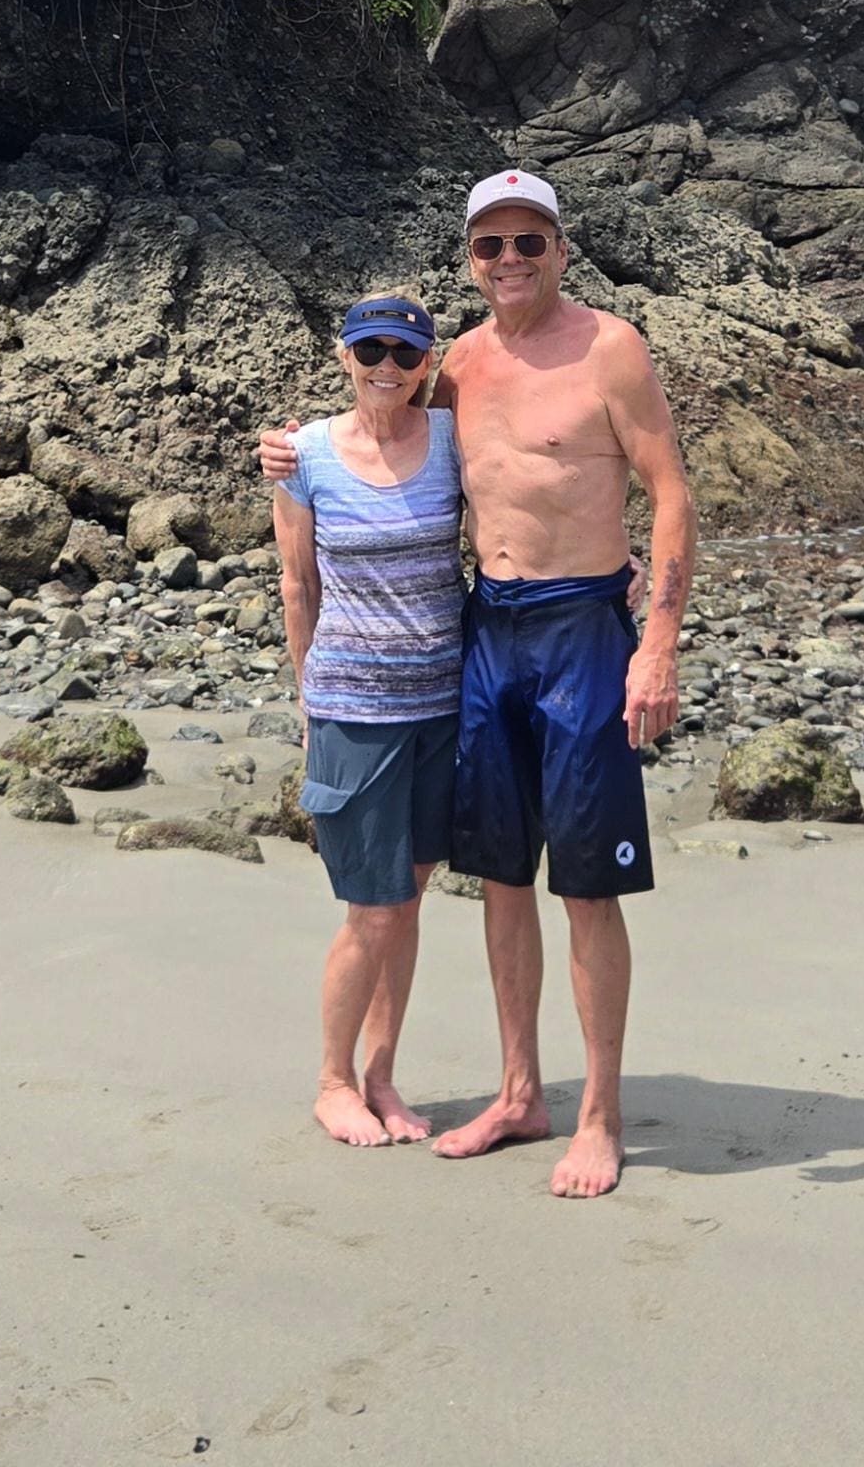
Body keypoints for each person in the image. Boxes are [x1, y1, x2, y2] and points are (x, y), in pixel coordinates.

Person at [261, 170, 695, 1199]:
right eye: (490, 245)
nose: (510, 260)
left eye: (528, 241)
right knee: (500, 876)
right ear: (470, 259)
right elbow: (383, 420)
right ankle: (518, 1093)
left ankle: (599, 1115)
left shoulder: (612, 348)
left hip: (582, 630)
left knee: (585, 885)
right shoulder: (455, 361)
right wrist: (292, 448)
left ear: (561, 249)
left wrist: (658, 643)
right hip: (487, 633)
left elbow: (670, 490)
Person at [272, 292, 466, 1150]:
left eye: (405, 353)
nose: (388, 366)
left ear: (428, 364)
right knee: (372, 908)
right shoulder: (304, 455)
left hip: (444, 706)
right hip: (355, 709)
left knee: (410, 897)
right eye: (371, 350)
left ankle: (383, 1076)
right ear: (345, 356)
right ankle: (333, 1082)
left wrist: (619, 563)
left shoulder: (453, 440)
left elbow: (534, 491)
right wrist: (309, 701)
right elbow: (298, 585)